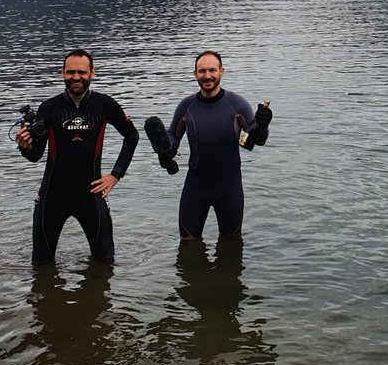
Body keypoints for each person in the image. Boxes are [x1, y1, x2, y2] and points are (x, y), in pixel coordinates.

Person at [16, 48, 139, 265]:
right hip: (52, 197)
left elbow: (132, 136)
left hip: (91, 195)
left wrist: (115, 175)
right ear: (62, 73)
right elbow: (35, 155)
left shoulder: (104, 105)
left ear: (92, 72)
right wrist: (24, 146)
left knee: (105, 263)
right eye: (70, 72)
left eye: (81, 72)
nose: (76, 77)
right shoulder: (49, 108)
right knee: (41, 266)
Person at [164, 50, 272, 240]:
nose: (207, 76)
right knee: (188, 246)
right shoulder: (186, 107)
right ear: (195, 73)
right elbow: (173, 137)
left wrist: (263, 125)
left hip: (229, 189)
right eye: (202, 71)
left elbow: (256, 142)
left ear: (222, 71)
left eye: (212, 70)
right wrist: (164, 148)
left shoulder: (237, 105)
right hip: (195, 188)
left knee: (231, 247)